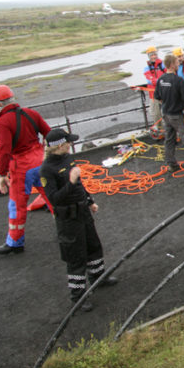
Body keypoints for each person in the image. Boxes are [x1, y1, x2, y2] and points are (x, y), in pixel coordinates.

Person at [40, 128, 118, 311]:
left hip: (82, 211)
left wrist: (90, 201)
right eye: (68, 142)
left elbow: (79, 185)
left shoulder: (68, 158)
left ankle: (98, 277)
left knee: (93, 246)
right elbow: (54, 199)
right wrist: (71, 181)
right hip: (68, 218)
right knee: (75, 256)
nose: (70, 144)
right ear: (59, 145)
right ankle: (78, 295)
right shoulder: (47, 169)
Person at [0, 84, 51, 255]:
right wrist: (48, 154)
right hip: (40, 162)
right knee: (51, 196)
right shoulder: (31, 113)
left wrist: (2, 174)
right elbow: (49, 133)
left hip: (21, 167)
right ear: (12, 97)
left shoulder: (3, 122)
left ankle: (15, 243)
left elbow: (4, 150)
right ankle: (68, 229)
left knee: (17, 205)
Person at [143, 46, 166, 138]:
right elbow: (149, 79)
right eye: (151, 55)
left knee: (169, 113)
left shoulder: (163, 65)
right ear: (149, 56)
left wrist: (157, 81)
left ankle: (172, 131)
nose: (154, 56)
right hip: (153, 95)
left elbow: (168, 74)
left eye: (155, 54)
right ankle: (161, 131)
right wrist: (159, 81)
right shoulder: (146, 68)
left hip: (165, 93)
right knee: (156, 114)